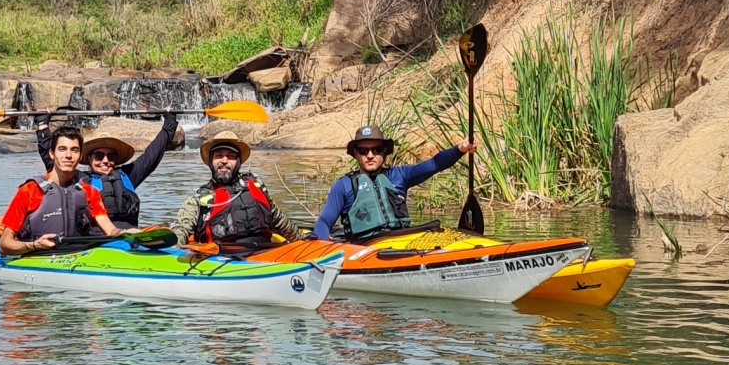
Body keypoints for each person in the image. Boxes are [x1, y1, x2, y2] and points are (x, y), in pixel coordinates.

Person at [311, 125, 476, 241]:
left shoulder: (400, 175)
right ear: (355, 154)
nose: (370, 155)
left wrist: (460, 149)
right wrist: (322, 246)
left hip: (401, 243)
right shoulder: (344, 185)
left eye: (376, 150)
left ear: (385, 152)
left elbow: (434, 164)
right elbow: (325, 222)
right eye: (363, 151)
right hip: (364, 248)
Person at [0, 124, 120, 254]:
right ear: (51, 153)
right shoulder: (30, 190)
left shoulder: (89, 191)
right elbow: (3, 245)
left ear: (80, 155)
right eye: (62, 149)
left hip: (78, 256)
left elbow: (110, 230)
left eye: (74, 150)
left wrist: (127, 233)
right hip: (38, 257)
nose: (68, 155)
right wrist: (34, 245)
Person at [171, 136, 300, 248]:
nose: (224, 160)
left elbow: (281, 221)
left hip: (265, 254)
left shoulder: (256, 184)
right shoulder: (199, 197)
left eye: (231, 156)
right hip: (221, 261)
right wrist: (173, 248)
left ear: (238, 162)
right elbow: (181, 229)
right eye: (219, 156)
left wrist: (303, 241)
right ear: (211, 161)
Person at [80, 113, 179, 233]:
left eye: (111, 156)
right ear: (89, 158)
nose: (105, 161)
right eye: (99, 156)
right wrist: (48, 129)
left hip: (131, 235)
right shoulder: (80, 179)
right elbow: (55, 164)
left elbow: (152, 154)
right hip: (96, 239)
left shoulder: (127, 175)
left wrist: (169, 126)